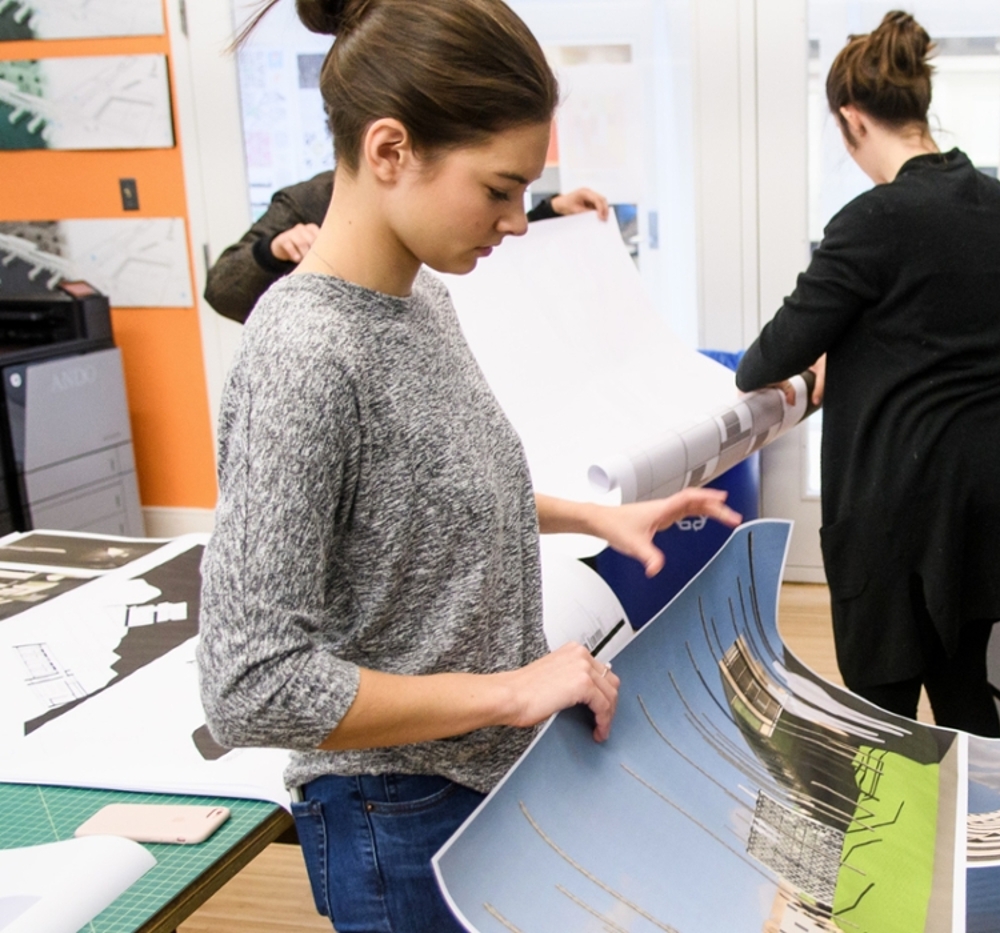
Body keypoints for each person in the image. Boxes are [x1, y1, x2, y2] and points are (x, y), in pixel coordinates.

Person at [195, 2, 739, 931]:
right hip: (396, 815)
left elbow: (414, 497)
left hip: (476, 781)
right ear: (391, 150)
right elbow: (251, 683)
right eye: (499, 189)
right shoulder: (306, 356)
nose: (518, 222)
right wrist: (517, 689)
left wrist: (592, 516)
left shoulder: (423, 303)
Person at [734, 11, 1000, 738]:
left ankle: (895, 846)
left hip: (903, 497)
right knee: (966, 686)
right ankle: (986, 836)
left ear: (851, 118)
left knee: (882, 714)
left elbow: (764, 360)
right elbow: (928, 328)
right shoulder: (992, 200)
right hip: (988, 484)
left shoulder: (871, 220)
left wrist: (826, 357)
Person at [203, 169, 610, 323]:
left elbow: (463, 235)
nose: (514, 223)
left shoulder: (434, 307)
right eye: (498, 191)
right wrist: (273, 250)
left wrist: (550, 214)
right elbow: (223, 287)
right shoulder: (308, 201)